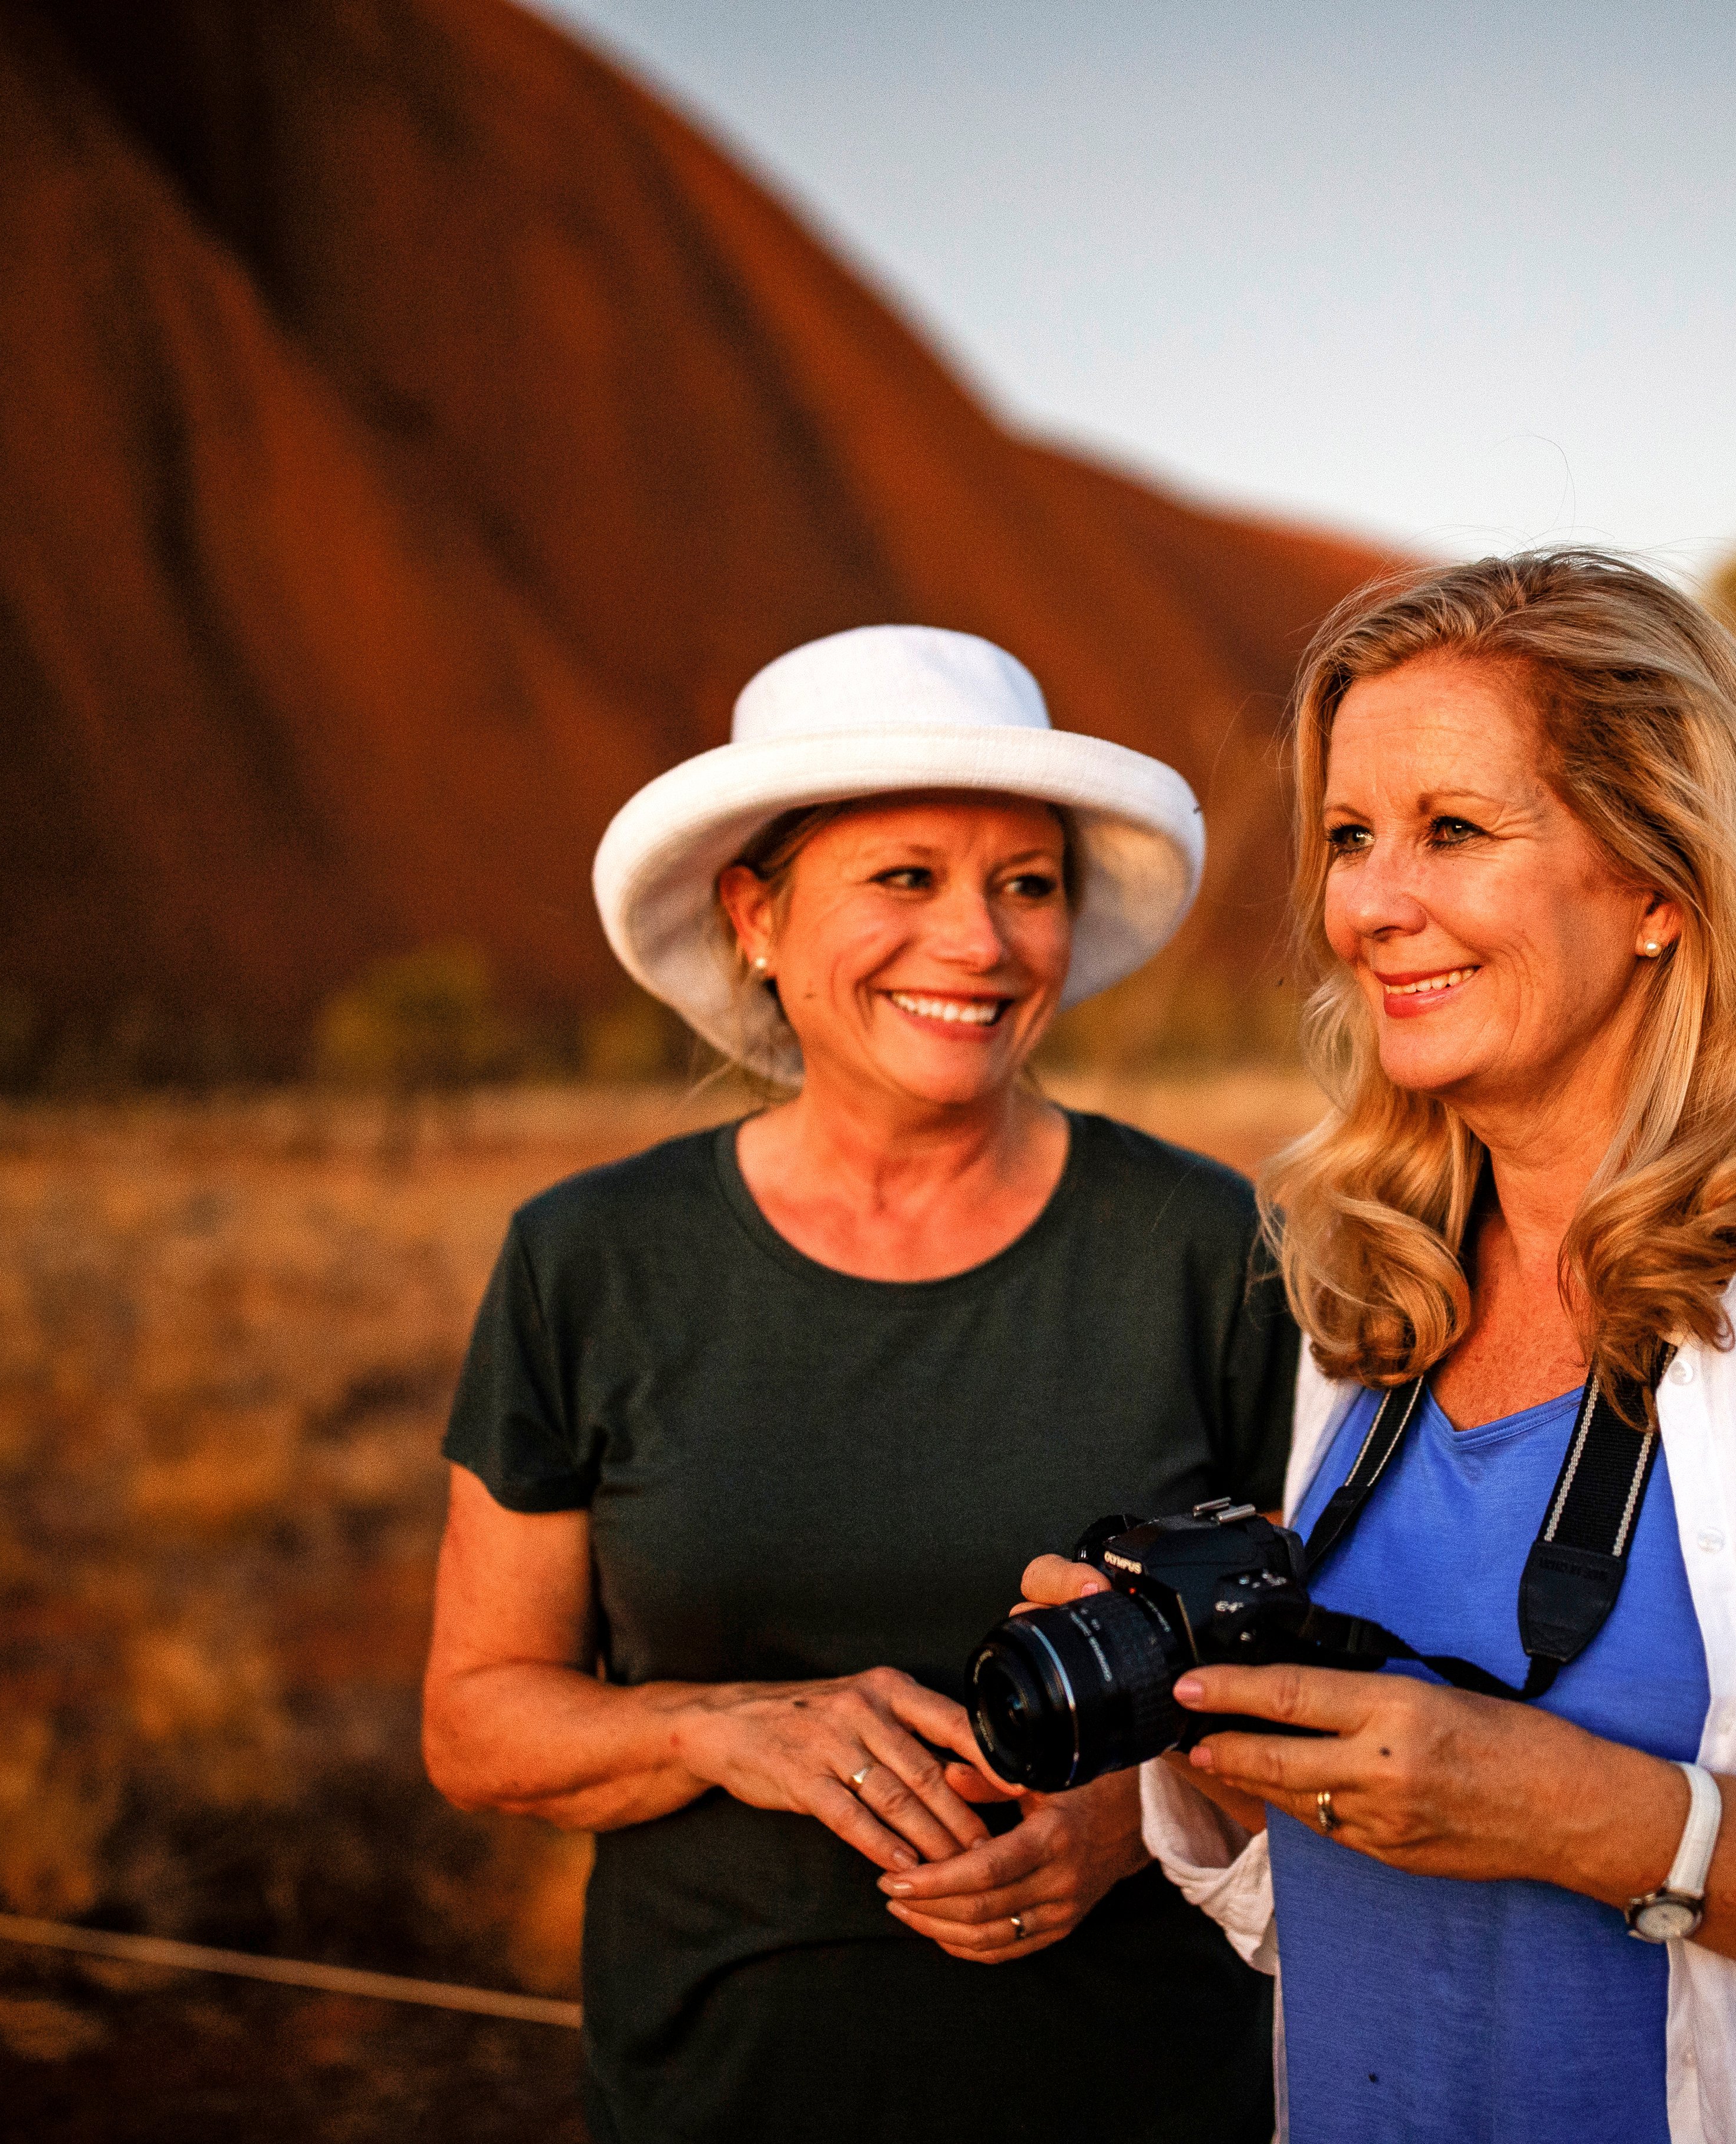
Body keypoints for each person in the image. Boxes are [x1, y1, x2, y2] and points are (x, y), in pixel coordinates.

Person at [1020, 552, 1736, 2142]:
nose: (1369, 904)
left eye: (1453, 830)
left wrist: (1586, 1818)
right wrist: (1213, 1730)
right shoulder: (1377, 1280)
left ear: (1662, 883)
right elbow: (1358, 1917)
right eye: (1349, 837)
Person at [425, 625, 1296, 2143]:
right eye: (906, 878)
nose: (978, 942)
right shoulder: (590, 1264)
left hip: (1138, 2092)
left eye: (1024, 886)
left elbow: (1332, 1660)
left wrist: (1143, 1821)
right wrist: (718, 1728)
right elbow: (479, 1718)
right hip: (719, 2095)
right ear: (754, 917)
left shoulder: (1203, 1245)